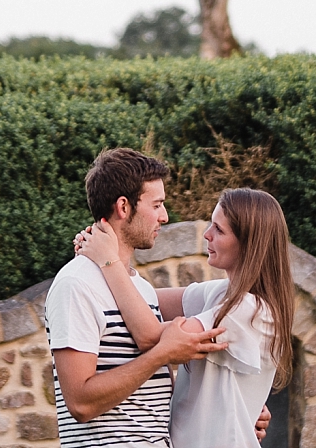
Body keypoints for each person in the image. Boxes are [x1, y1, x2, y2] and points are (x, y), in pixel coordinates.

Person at [75, 187, 295, 448]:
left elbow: (152, 337)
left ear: (249, 244)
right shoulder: (220, 295)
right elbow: (145, 300)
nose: (207, 235)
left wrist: (108, 261)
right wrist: (95, 263)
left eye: (219, 230)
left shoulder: (250, 310)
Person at [45, 147, 228, 447]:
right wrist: (161, 355)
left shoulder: (138, 288)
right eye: (156, 205)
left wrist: (233, 412)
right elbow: (80, 403)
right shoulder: (76, 284)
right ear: (123, 207)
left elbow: (152, 402)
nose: (165, 217)